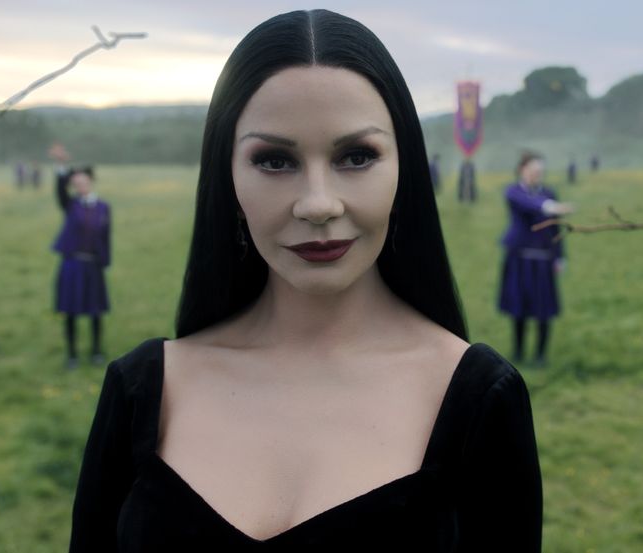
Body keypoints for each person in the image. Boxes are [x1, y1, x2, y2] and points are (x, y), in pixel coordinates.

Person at [68, 10, 542, 552]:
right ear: (227, 177)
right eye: (274, 160)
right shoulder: (140, 389)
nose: (318, 203)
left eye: (357, 156)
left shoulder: (480, 397)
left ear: (404, 169)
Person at [498, 151, 573, 366]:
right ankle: (518, 353)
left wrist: (560, 257)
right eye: (533, 170)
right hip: (519, 259)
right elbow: (528, 203)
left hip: (543, 260)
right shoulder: (513, 192)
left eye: (540, 171)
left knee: (544, 309)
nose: (537, 174)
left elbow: (556, 228)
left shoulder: (549, 192)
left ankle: (540, 356)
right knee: (518, 308)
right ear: (522, 170)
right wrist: (549, 206)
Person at [52, 162, 111, 368]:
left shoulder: (104, 207)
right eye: (76, 183)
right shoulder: (70, 205)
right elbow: (60, 190)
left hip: (94, 266)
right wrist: (63, 168)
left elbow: (106, 237)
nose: (81, 186)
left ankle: (96, 351)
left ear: (91, 182)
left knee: (96, 312)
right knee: (70, 312)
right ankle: (72, 355)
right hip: (72, 265)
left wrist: (105, 262)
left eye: (84, 182)